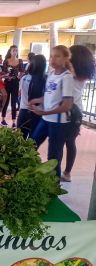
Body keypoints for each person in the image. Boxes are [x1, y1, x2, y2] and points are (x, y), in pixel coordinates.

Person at [29, 45, 75, 177]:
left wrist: (43, 113)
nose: (53, 59)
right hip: (46, 119)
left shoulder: (66, 77)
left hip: (58, 123)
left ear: (65, 58)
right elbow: (49, 95)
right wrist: (37, 100)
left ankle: (54, 185)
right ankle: (29, 173)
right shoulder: (51, 74)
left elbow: (67, 105)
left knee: (53, 156)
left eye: (57, 56)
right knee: (31, 144)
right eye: (51, 56)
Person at [61, 45, 95, 182]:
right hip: (77, 112)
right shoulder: (83, 74)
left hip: (65, 110)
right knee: (70, 143)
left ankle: (56, 171)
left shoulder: (69, 74)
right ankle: (67, 173)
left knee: (58, 142)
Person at [17, 54, 47, 139]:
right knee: (33, 144)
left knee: (19, 142)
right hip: (38, 113)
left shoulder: (24, 78)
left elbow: (20, 94)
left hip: (23, 112)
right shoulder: (45, 80)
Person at [1, 45, 25, 128]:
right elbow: (3, 73)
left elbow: (22, 72)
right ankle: (3, 119)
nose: (15, 52)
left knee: (13, 103)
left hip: (15, 83)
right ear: (10, 51)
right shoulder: (6, 61)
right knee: (6, 101)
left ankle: (14, 121)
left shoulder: (20, 61)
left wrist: (18, 77)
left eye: (16, 50)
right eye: (14, 50)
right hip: (7, 82)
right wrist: (7, 76)